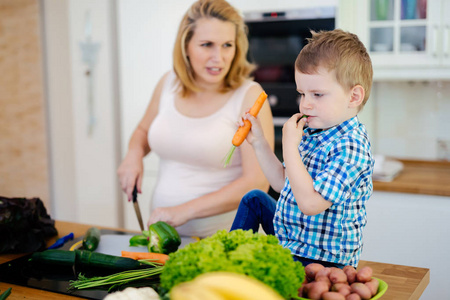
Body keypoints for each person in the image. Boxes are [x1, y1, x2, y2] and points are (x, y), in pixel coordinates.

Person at [117, 0, 274, 238]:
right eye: (207, 45)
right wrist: (133, 155)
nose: (218, 57)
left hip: (224, 241)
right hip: (165, 240)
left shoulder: (250, 96)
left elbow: (257, 182)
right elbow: (142, 131)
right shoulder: (168, 83)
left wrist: (183, 211)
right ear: (186, 46)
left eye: (227, 45)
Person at [230, 29, 375, 268]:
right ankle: (227, 266)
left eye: (317, 94)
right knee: (254, 199)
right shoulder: (313, 131)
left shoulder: (351, 146)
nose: (305, 103)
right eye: (302, 93)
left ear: (354, 96)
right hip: (293, 244)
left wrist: (288, 146)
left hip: (324, 260)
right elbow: (283, 183)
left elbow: (309, 204)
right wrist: (259, 143)